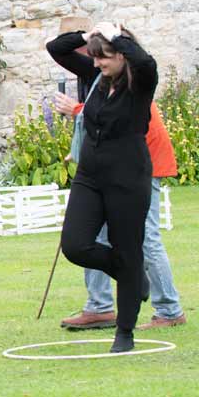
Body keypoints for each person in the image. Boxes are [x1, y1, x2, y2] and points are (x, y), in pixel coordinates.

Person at [47, 21, 159, 352]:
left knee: (128, 248)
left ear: (122, 55)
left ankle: (125, 333)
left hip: (127, 178)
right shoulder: (95, 77)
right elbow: (57, 48)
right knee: (75, 245)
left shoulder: (140, 83)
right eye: (95, 57)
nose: (97, 63)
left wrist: (117, 37)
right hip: (91, 176)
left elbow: (145, 61)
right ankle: (132, 275)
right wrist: (89, 35)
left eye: (105, 57)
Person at [53, 93, 186, 332]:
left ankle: (169, 310)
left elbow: (118, 115)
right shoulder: (99, 75)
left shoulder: (128, 73)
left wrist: (76, 110)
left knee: (146, 236)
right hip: (112, 165)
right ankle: (99, 307)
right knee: (95, 235)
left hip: (143, 164)